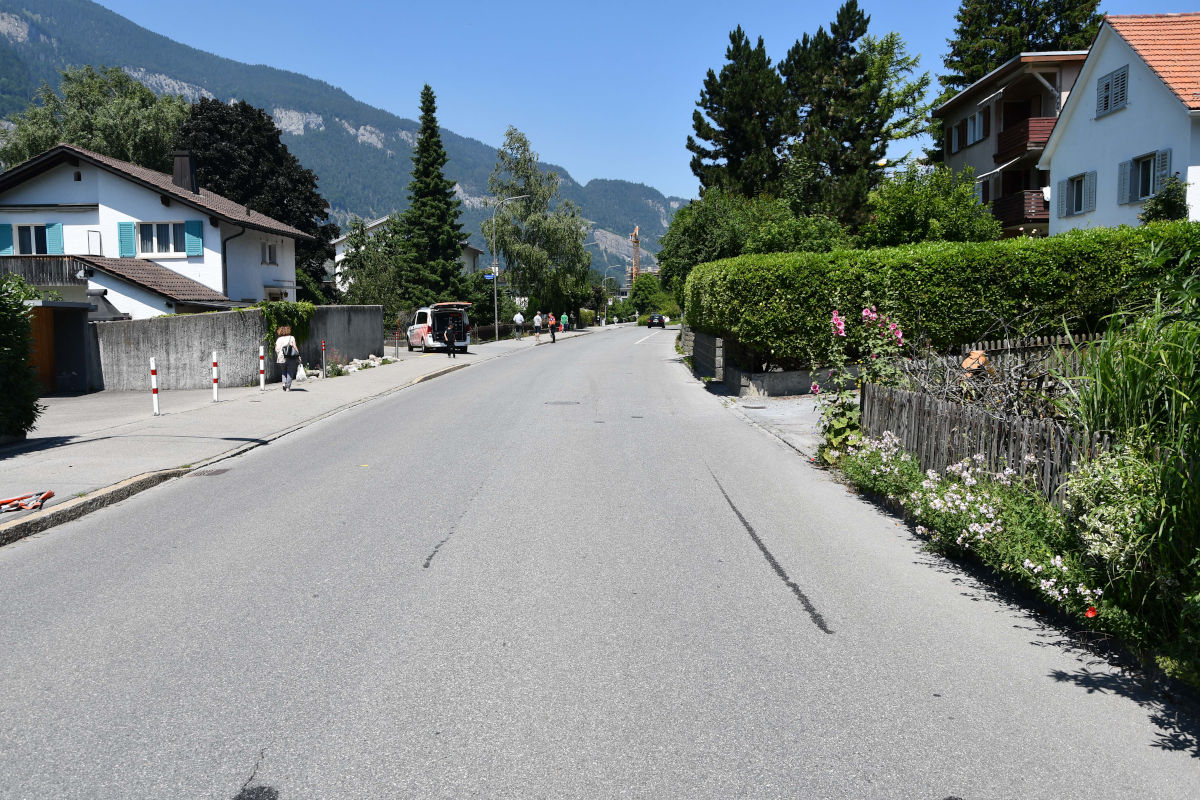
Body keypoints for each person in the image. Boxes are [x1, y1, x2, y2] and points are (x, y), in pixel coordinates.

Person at [274, 325, 300, 391]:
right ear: (288, 331)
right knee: (290, 372)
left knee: (284, 371)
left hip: (281, 358)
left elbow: (276, 349)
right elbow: (294, 346)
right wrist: (298, 355)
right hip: (290, 357)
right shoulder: (291, 338)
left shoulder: (278, 339)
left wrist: (279, 354)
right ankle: (288, 387)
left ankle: (283, 384)